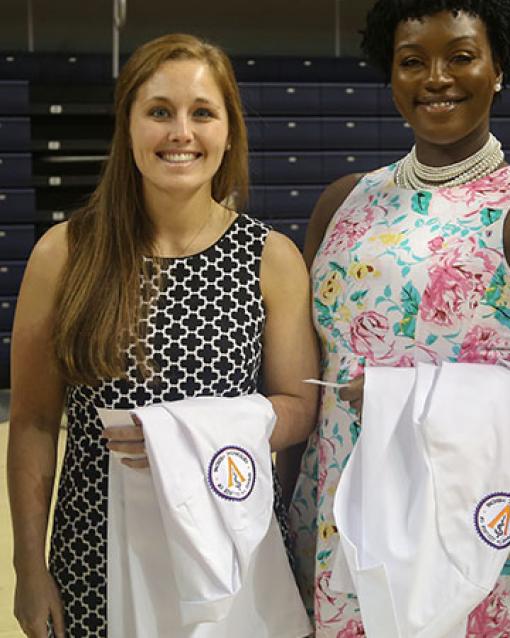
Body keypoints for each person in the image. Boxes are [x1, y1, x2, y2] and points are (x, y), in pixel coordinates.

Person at [280, 0, 510, 635]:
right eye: (412, 61)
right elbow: (306, 382)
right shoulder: (343, 201)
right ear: (389, 75)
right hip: (333, 519)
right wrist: (277, 508)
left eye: (460, 56)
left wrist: (419, 402)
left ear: (497, 67)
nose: (436, 77)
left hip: (470, 526)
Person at [8, 34, 319, 638]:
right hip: (91, 552)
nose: (181, 132)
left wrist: (185, 436)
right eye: (159, 112)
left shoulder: (270, 257)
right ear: (128, 128)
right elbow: (34, 422)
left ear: (228, 132)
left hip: (230, 549)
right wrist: (27, 564)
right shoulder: (65, 252)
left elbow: (300, 407)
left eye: (202, 112)